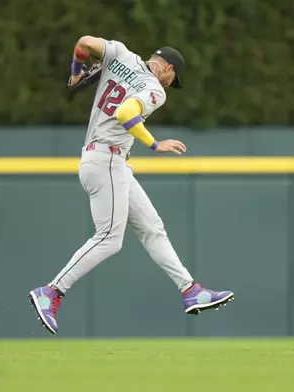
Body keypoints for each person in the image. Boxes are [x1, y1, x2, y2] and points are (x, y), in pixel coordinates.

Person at [28, 36, 234, 335]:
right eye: (173, 79)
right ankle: (52, 291)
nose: (169, 86)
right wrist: (154, 144)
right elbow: (126, 113)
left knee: (152, 227)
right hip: (107, 161)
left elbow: (84, 43)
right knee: (110, 238)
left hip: (106, 160)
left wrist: (75, 69)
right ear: (168, 69)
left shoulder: (121, 54)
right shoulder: (153, 88)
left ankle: (190, 290)